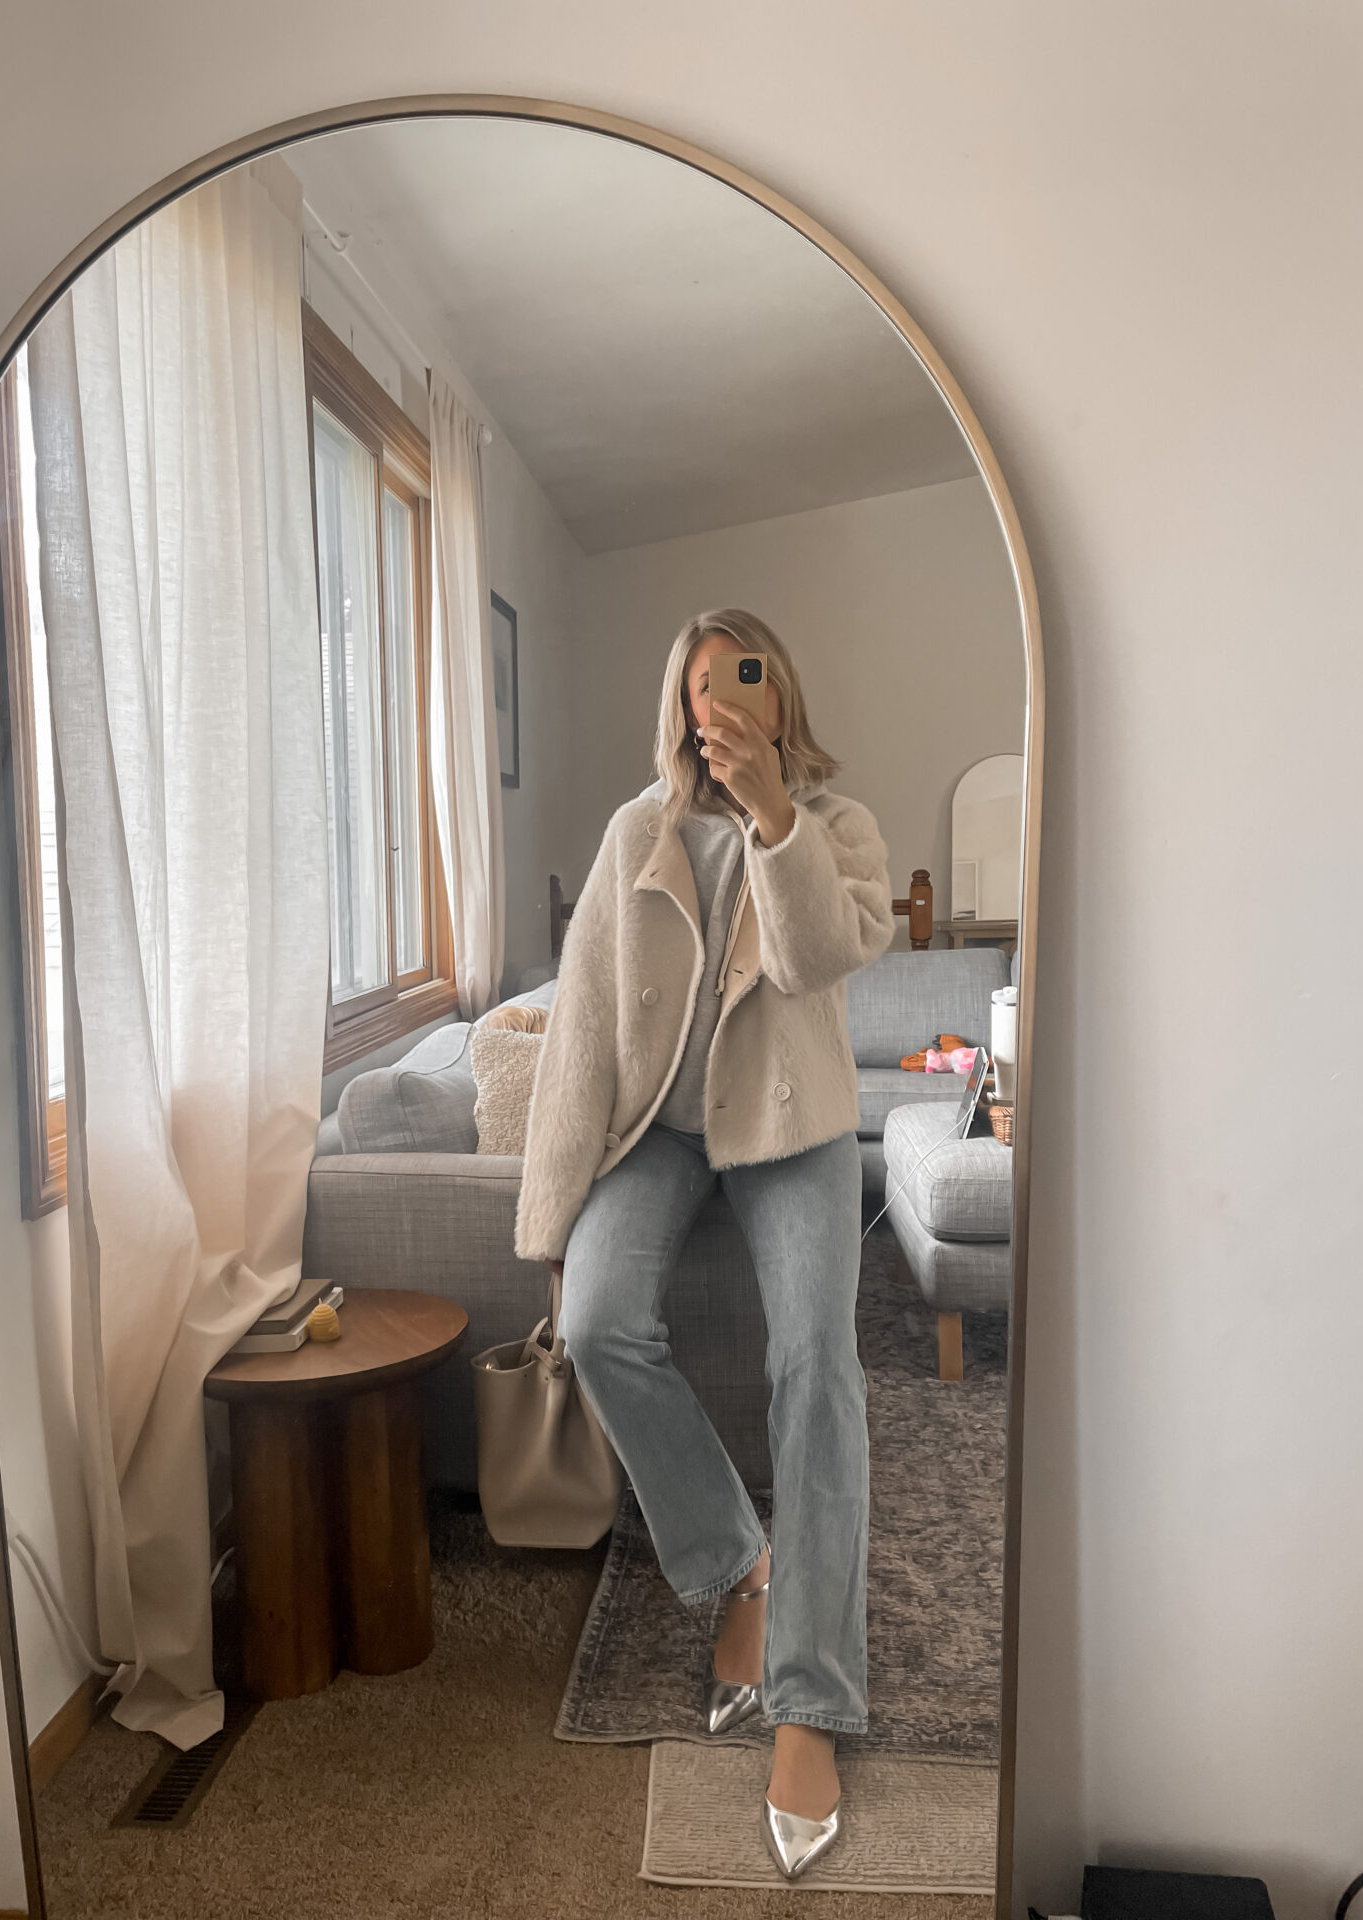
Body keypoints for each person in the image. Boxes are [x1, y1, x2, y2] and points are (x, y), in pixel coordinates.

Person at [514, 607, 894, 1879]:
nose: (717, 707)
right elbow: (579, 1035)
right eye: (697, 691)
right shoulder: (638, 834)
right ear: (677, 709)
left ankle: (813, 1701)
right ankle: (742, 1566)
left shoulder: (838, 829)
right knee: (598, 1322)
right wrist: (549, 1221)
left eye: (742, 682)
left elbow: (820, 956)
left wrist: (775, 817)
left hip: (796, 1129)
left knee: (817, 1369)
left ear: (779, 695)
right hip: (657, 1135)